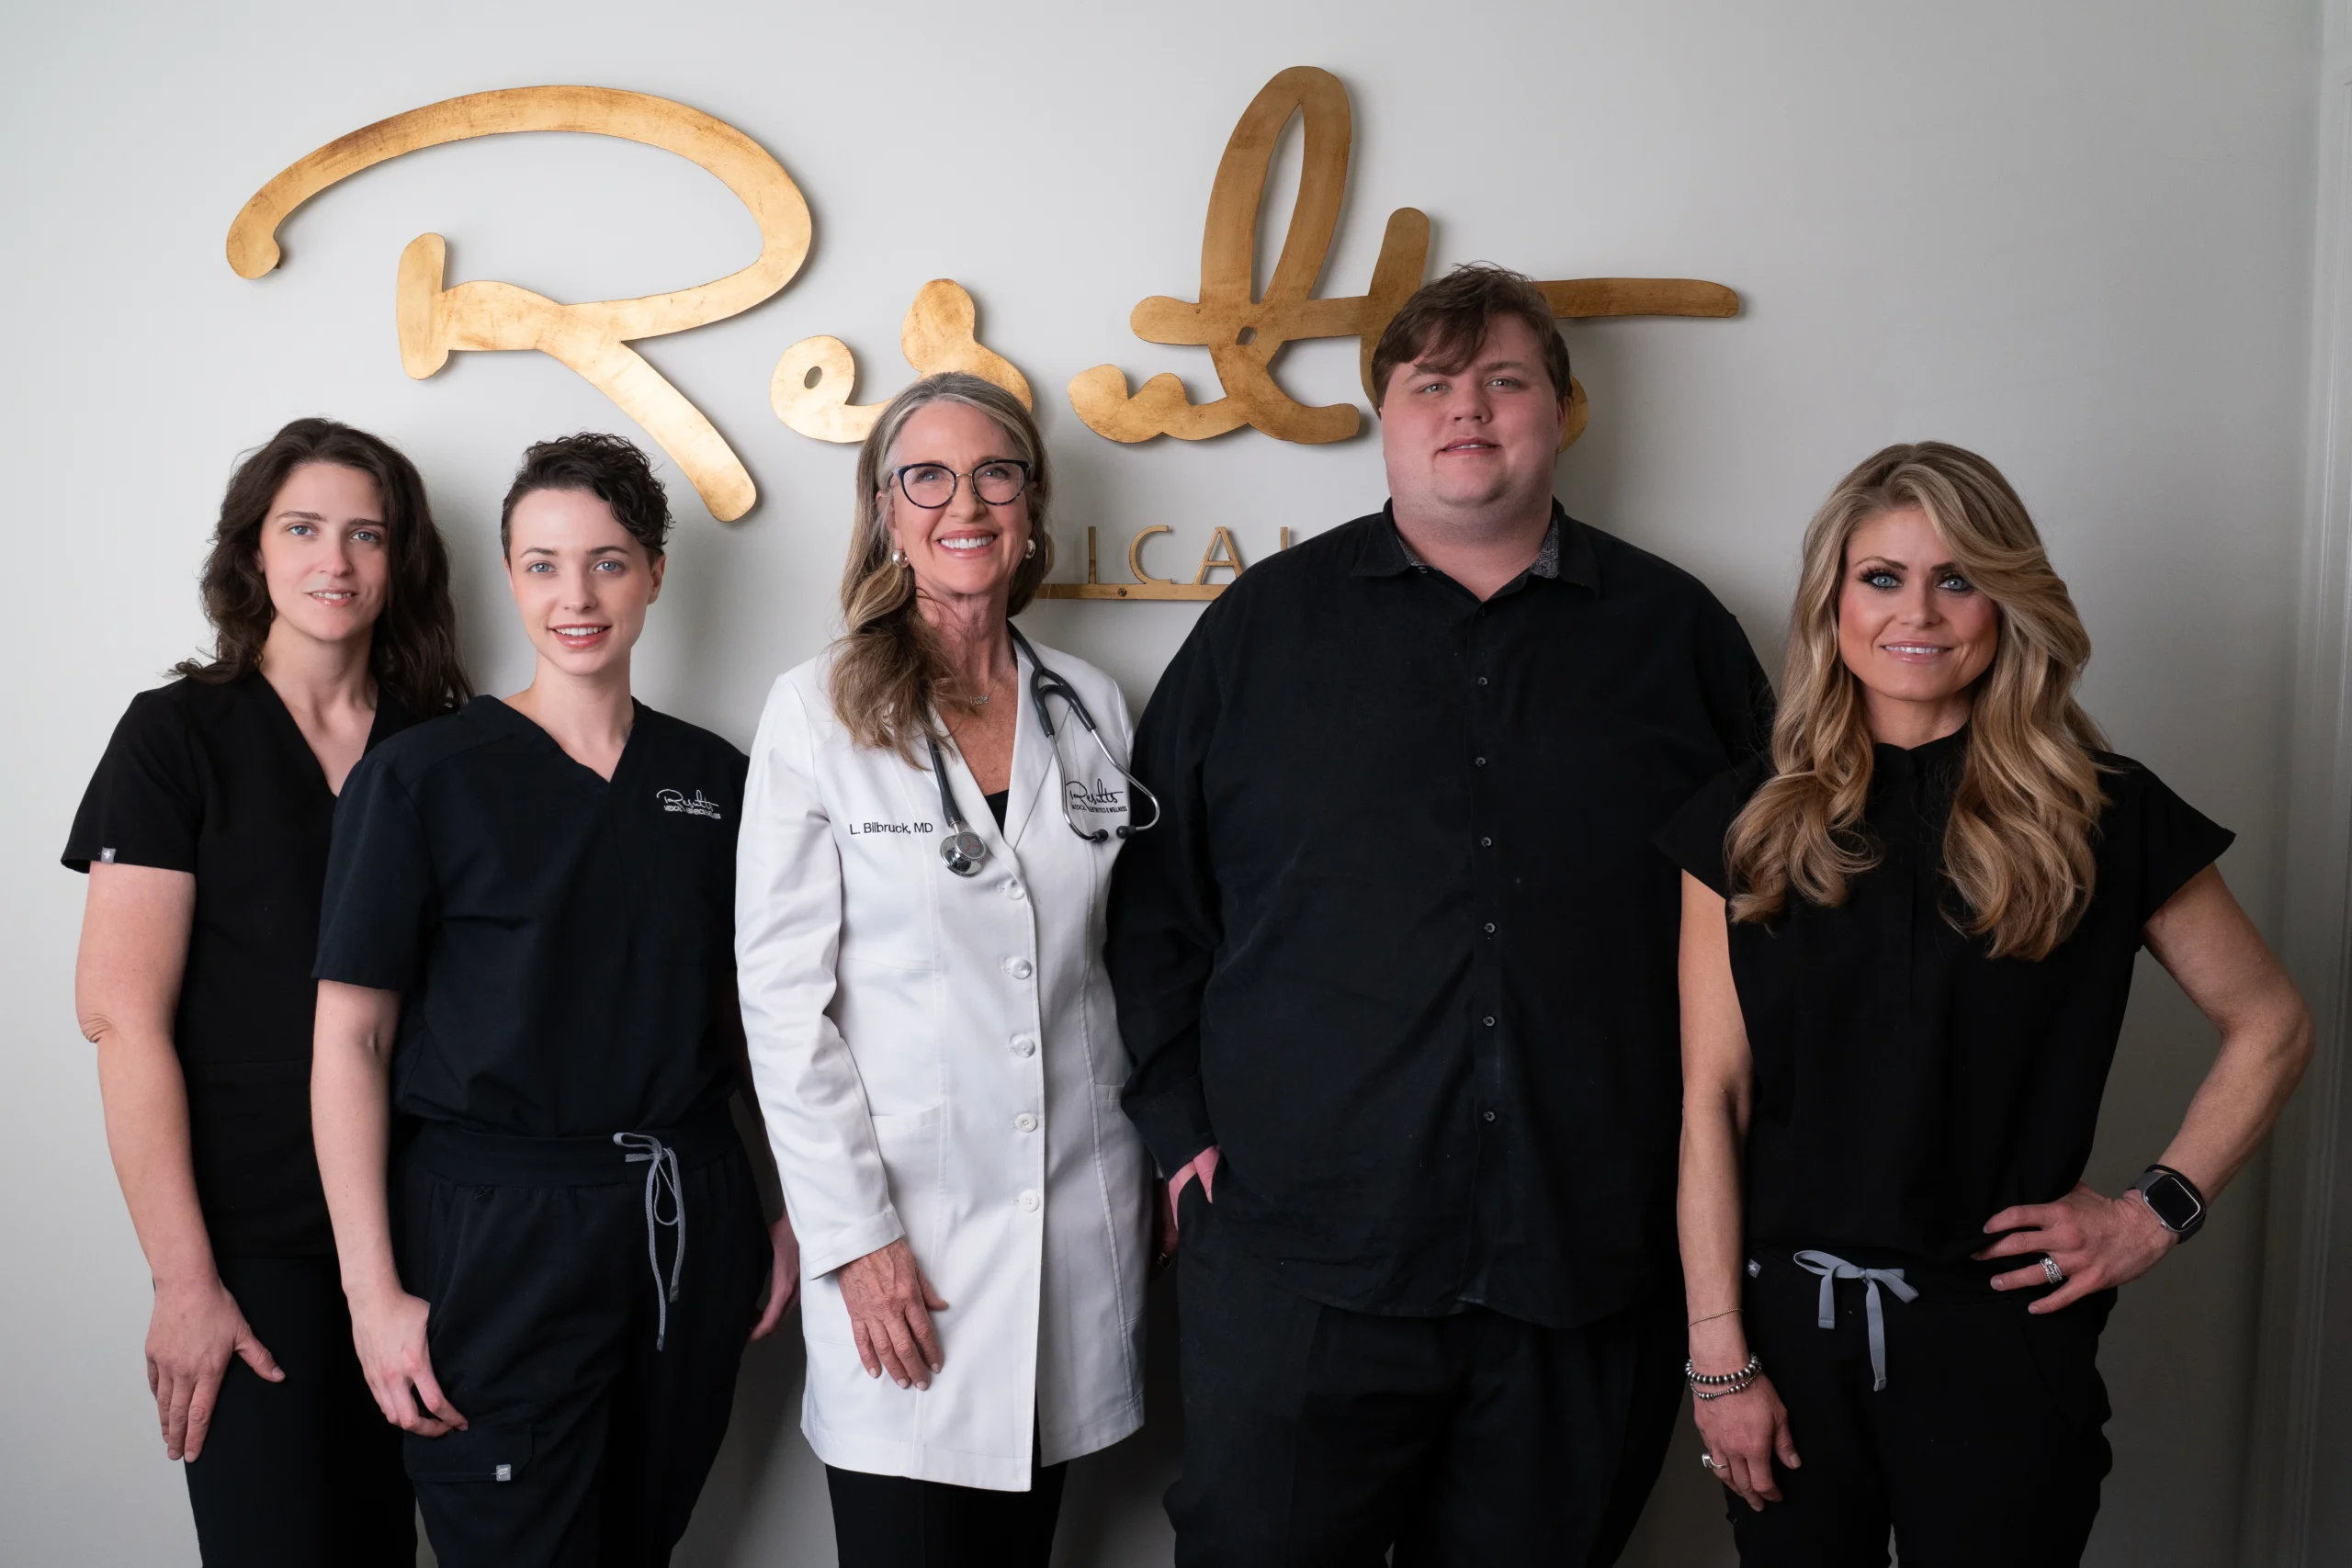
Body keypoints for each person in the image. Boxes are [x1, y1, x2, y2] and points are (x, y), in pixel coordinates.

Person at [1106, 265, 1776, 1565]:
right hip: (1301, 1261)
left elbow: (1772, 926)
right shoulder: (1259, 632)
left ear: (1560, 411)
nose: (1468, 409)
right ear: (1385, 417)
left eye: (1504, 381)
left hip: (1586, 1264)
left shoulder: (1680, 637)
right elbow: (1153, 906)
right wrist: (1182, 1137)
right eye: (1432, 384)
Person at [1658, 442, 2313, 1566]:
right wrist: (1719, 1360)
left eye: (1957, 579)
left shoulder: (2102, 813)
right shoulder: (1744, 823)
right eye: (1881, 577)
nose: (1917, 612)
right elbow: (1711, 1101)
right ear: (1831, 602)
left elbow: (2273, 1024)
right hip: (1787, 1341)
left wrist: (2151, 1214)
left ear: (2006, 602)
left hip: (2004, 1338)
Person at [308, 433, 798, 1567]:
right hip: (496, 1228)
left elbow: (755, 1022)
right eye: (542, 565)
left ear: (656, 573)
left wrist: (787, 1210)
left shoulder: (719, 781)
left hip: (688, 1215)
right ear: (510, 575)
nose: (574, 597)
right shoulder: (421, 778)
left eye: (607, 562)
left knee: (641, 1541)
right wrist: (371, 1293)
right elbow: (350, 1040)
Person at [736, 372, 1157, 1568]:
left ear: (1031, 504)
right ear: (884, 509)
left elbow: (1127, 961)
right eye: (926, 476)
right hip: (904, 1240)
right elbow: (782, 1004)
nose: (962, 503)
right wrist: (855, 1239)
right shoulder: (815, 709)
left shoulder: (1091, 707)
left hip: (1072, 1219)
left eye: (994, 474)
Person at [66, 418, 469, 1565]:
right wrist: (184, 1282)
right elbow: (120, 1020)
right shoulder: (175, 735)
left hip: (435, 1232)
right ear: (253, 551)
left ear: (401, 561)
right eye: (301, 530)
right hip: (250, 1250)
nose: (334, 561)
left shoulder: (449, 747)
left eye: (366, 535)